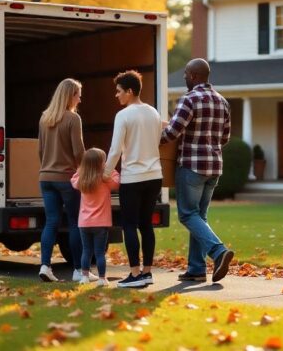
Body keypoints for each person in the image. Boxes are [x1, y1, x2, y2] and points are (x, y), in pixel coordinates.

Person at [161, 58, 235, 283]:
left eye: (185, 74)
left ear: (193, 76)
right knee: (199, 216)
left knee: (187, 214)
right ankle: (196, 269)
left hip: (192, 166)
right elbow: (225, 138)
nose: (184, 77)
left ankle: (218, 251)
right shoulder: (222, 102)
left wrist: (152, 139)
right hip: (214, 167)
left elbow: (172, 132)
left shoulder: (189, 99)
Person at [105, 70, 163, 288]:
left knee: (129, 225)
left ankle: (135, 274)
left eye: (119, 91)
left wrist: (105, 173)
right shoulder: (154, 112)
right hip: (154, 176)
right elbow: (156, 140)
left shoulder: (124, 115)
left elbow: (115, 150)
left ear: (129, 91)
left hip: (133, 178)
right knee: (146, 224)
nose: (116, 95)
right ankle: (147, 272)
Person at [37, 78, 92, 283]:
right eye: (78, 94)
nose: (80, 98)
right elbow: (79, 152)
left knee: (51, 222)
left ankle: (45, 266)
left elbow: (40, 150)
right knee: (75, 223)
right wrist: (85, 170)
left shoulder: (44, 118)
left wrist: (48, 167)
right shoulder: (72, 119)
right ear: (70, 96)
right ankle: (78, 269)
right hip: (67, 179)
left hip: (45, 178)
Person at [71, 148, 120, 287]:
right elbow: (117, 181)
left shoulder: (82, 180)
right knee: (99, 253)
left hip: (84, 223)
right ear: (102, 163)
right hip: (101, 223)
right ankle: (102, 278)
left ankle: (85, 277)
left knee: (86, 250)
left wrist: (81, 169)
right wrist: (109, 169)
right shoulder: (105, 180)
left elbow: (73, 179)